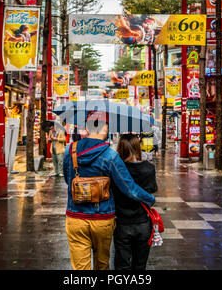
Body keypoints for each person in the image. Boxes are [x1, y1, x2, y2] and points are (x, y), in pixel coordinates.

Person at [63, 111, 155, 270]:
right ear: (105, 128)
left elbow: (67, 179)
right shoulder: (111, 155)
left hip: (75, 217)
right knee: (102, 264)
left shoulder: (70, 150)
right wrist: (149, 199)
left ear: (86, 127)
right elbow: (129, 189)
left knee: (80, 268)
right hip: (102, 219)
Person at [114, 134, 157, 270]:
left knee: (122, 265)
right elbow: (152, 189)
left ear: (120, 149)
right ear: (138, 148)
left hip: (122, 224)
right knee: (140, 265)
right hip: (143, 223)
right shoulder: (148, 168)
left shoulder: (116, 170)